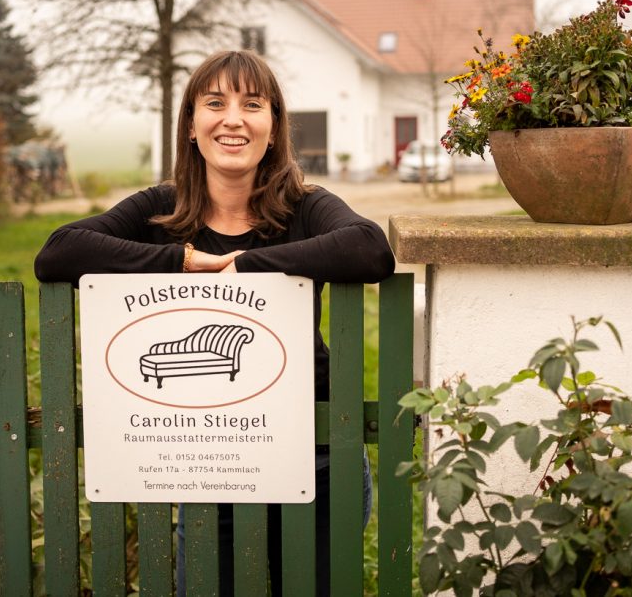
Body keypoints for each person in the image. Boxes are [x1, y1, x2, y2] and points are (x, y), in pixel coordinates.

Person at [34, 50, 395, 594]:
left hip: (316, 462)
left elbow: (370, 249)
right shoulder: (159, 209)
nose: (234, 119)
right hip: (204, 467)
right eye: (215, 103)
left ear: (273, 129)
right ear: (191, 125)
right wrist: (178, 259)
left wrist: (247, 265)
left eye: (253, 104)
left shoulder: (304, 206)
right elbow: (58, 253)